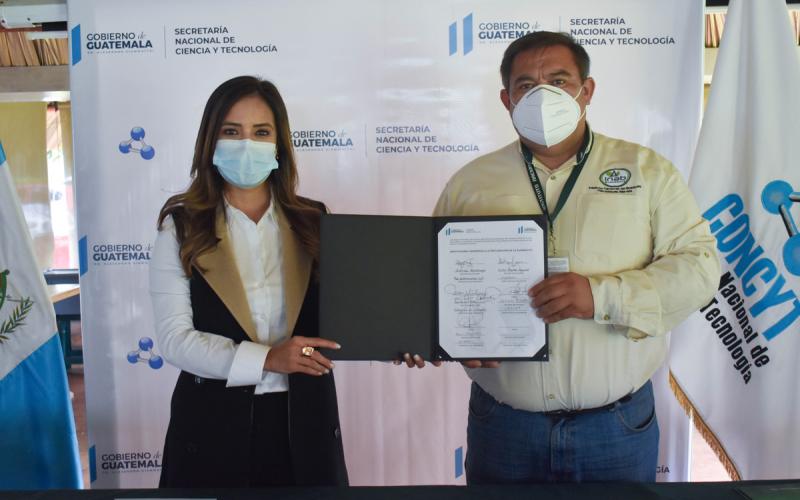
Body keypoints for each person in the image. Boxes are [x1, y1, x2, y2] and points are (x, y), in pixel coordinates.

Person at [417, 31, 720, 483]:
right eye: (525, 85)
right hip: (503, 427)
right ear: (506, 100)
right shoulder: (470, 184)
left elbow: (699, 267)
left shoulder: (647, 171)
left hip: (615, 427)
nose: (542, 96)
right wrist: (445, 335)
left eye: (558, 81)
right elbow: (430, 282)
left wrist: (601, 297)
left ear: (587, 90)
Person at [149, 76, 348, 488]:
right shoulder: (182, 227)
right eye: (231, 131)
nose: (246, 144)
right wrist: (266, 359)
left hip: (305, 424)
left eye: (260, 132)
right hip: (211, 426)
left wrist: (404, 342)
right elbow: (175, 340)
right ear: (211, 141)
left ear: (278, 144)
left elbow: (350, 319)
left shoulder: (314, 221)